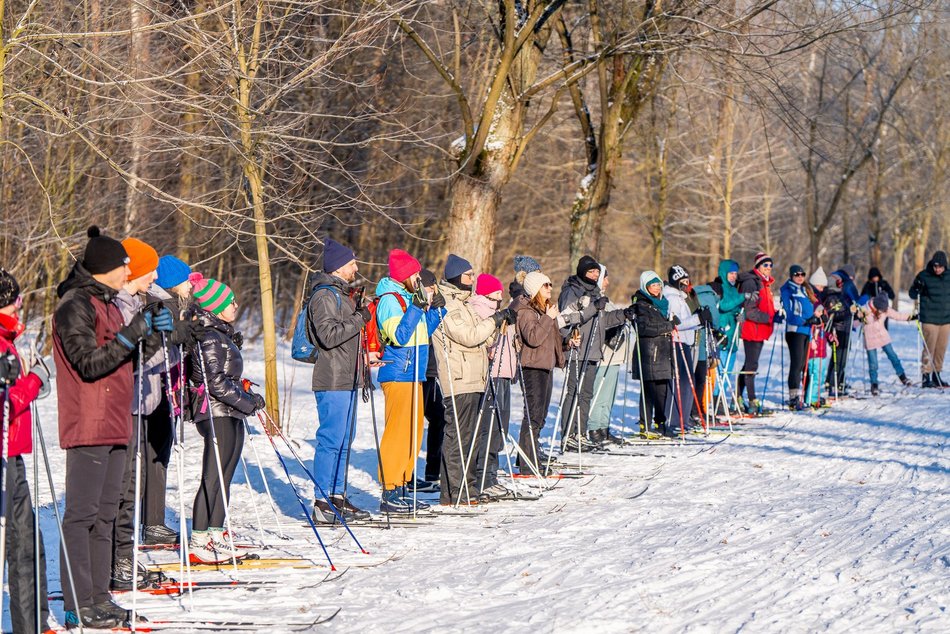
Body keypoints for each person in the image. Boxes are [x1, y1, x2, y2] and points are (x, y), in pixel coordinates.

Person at [53, 226, 168, 629]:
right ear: (105, 269)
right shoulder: (74, 306)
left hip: (117, 420)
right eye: (123, 265)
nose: (128, 272)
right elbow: (89, 364)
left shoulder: (109, 304)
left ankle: (100, 595)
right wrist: (131, 334)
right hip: (88, 422)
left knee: (105, 515)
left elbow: (125, 360)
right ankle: (77, 601)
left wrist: (152, 337)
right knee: (82, 515)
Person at [112, 238, 196, 590]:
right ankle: (122, 553)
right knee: (128, 481)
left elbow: (157, 354)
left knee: (141, 469)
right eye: (187, 280)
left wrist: (179, 343)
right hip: (135, 399)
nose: (191, 285)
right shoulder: (152, 303)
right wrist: (173, 341)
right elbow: (135, 353)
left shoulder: (160, 303)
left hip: (151, 394)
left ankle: (127, 550)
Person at [186, 274, 266, 563]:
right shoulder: (208, 337)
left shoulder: (220, 334)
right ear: (215, 306)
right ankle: (198, 539)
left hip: (230, 410)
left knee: (226, 474)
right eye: (230, 302)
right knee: (213, 475)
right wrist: (247, 402)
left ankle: (216, 532)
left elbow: (226, 377)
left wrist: (244, 396)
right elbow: (215, 383)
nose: (236, 305)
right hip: (214, 411)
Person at [433, 255, 509, 506]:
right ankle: (458, 490)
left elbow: (484, 339)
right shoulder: (447, 304)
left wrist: (498, 323)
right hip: (458, 378)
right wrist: (493, 322)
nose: (472, 279)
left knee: (471, 437)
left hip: (475, 376)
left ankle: (461, 489)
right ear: (456, 276)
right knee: (458, 437)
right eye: (468, 275)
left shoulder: (464, 304)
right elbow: (468, 335)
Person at [0, 269, 53, 634]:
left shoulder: (8, 338)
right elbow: (6, 403)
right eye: (17, 301)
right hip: (5, 457)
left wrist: (32, 378)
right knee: (21, 545)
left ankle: (33, 622)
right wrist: (34, 381)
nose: (21, 309)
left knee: (28, 542)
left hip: (13, 454)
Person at [308, 238, 373, 523]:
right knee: (331, 440)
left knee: (345, 440)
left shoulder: (341, 294)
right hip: (332, 378)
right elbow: (329, 336)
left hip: (348, 376)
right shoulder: (324, 295)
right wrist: (360, 318)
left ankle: (337, 494)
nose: (356, 268)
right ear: (337, 268)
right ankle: (321, 500)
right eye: (351, 264)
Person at [375, 249, 444, 513]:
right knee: (398, 434)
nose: (419, 278)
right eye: (415, 274)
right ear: (404, 276)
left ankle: (403, 484)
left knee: (413, 434)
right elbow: (400, 335)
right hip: (399, 373)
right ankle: (390, 488)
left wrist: (437, 309)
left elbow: (423, 330)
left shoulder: (407, 297)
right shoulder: (390, 300)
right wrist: (416, 305)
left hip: (415, 372)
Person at [557, 255, 626, 451]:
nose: (595, 274)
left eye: (597, 271)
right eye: (591, 271)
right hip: (577, 348)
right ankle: (568, 434)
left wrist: (623, 315)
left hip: (593, 351)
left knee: (586, 394)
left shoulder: (596, 293)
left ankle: (580, 432)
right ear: (582, 272)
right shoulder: (572, 291)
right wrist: (593, 308)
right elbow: (567, 319)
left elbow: (603, 321)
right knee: (574, 393)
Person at [468, 273, 518, 499]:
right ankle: (483, 476)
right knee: (489, 426)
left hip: (504, 373)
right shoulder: (479, 310)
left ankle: (492, 473)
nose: (501, 295)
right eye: (496, 292)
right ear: (487, 293)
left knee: (501, 426)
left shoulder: (498, 312)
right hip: (491, 374)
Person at [513, 271, 563, 473]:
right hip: (532, 367)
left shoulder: (543, 310)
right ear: (535, 290)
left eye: (550, 284)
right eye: (545, 286)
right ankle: (528, 463)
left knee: (540, 416)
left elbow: (549, 340)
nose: (550, 288)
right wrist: (549, 318)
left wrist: (567, 345)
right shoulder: (525, 311)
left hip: (545, 365)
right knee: (533, 415)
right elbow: (533, 338)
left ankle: (525, 457)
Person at [663, 265, 708, 433]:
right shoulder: (672, 298)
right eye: (682, 282)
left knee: (689, 383)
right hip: (677, 343)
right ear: (675, 282)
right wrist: (698, 319)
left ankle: (683, 418)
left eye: (687, 281)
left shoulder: (681, 297)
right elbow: (677, 324)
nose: (686, 285)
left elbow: (687, 322)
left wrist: (700, 319)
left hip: (686, 343)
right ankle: (673, 420)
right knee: (680, 383)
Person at [587, 268, 628, 445]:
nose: (608, 282)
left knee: (609, 395)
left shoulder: (606, 299)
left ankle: (604, 426)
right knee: (600, 394)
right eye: (605, 278)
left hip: (615, 356)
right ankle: (594, 427)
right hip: (604, 355)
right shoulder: (595, 299)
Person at [630, 271, 674, 437]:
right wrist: (667, 327)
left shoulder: (664, 303)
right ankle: (645, 424)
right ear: (645, 287)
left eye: (658, 285)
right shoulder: (641, 305)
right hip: (648, 352)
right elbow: (643, 329)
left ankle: (660, 422)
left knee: (662, 390)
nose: (656, 288)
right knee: (648, 390)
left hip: (663, 352)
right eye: (653, 285)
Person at [737, 252, 777, 414]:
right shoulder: (751, 282)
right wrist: (769, 317)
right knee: (751, 365)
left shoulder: (762, 282)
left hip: (759, 329)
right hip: (751, 328)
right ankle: (751, 399)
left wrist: (775, 315)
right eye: (765, 265)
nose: (768, 268)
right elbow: (750, 310)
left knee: (750, 364)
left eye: (770, 265)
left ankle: (738, 397)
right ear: (758, 266)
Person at [781, 264, 822, 410]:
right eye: (796, 274)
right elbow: (789, 312)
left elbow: (812, 307)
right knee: (797, 364)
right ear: (791, 276)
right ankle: (793, 398)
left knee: (805, 365)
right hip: (795, 331)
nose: (800, 277)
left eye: (802, 274)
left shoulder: (805, 289)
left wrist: (816, 316)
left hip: (806, 331)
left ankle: (807, 396)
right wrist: (805, 320)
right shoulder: (788, 290)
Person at [419, 269, 444, 491]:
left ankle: (432, 472)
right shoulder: (417, 305)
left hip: (432, 372)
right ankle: (405, 476)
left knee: (440, 418)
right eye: (429, 287)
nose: (432, 291)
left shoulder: (431, 306)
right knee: (416, 422)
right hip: (420, 371)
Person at [909, 250, 950, 387]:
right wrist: (917, 288)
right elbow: (912, 294)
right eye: (935, 266)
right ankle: (926, 376)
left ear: (945, 266)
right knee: (929, 348)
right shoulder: (924, 276)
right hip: (929, 319)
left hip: (945, 319)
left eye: (940, 267)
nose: (937, 269)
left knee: (941, 349)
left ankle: (937, 375)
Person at [861, 293, 913, 395]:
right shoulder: (865, 309)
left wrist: (910, 317)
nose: (884, 311)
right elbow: (855, 321)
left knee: (893, 356)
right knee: (873, 364)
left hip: (882, 336)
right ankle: (874, 384)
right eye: (882, 310)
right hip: (870, 339)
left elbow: (898, 315)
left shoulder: (885, 308)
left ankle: (902, 376)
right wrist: (856, 315)